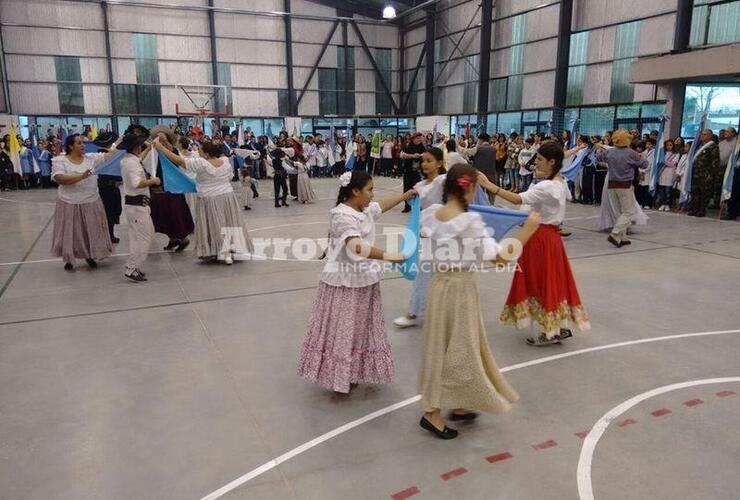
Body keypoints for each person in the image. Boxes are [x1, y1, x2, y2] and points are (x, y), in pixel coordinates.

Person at [418, 164, 539, 439]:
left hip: (439, 286)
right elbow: (498, 258)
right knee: (460, 347)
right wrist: (527, 230)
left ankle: (458, 402)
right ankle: (431, 412)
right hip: (459, 289)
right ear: (470, 188)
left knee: (445, 345)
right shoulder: (468, 221)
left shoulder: (431, 214)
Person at [297, 171, 415, 394]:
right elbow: (356, 247)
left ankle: (352, 370)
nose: (373, 194)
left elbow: (379, 207)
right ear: (355, 191)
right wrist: (392, 256)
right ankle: (340, 376)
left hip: (363, 280)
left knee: (359, 327)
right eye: (370, 190)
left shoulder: (362, 208)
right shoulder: (342, 216)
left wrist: (405, 195)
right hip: (344, 283)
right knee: (344, 328)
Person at [479, 143, 590, 346]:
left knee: (539, 281)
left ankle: (550, 329)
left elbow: (517, 199)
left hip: (540, 238)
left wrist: (489, 185)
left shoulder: (547, 186)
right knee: (549, 280)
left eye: (538, 159)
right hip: (549, 238)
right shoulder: (558, 182)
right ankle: (554, 326)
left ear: (552, 162)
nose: (535, 163)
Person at [154, 139, 252, 265]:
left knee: (217, 225)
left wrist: (161, 149)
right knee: (229, 222)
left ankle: (224, 252)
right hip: (227, 196)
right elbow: (230, 177)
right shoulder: (225, 161)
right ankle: (231, 249)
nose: (198, 152)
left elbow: (180, 161)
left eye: (200, 151)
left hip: (210, 198)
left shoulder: (202, 163)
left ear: (206, 154)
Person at [394, 147, 447, 329]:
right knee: (424, 272)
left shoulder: (443, 181)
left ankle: (427, 311)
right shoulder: (420, 185)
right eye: (423, 160)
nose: (424, 164)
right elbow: (414, 204)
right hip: (425, 234)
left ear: (440, 163)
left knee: (443, 274)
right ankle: (415, 311)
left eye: (429, 160)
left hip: (445, 234)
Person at [50, 134, 121, 271]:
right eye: (78, 143)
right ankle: (70, 259)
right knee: (71, 232)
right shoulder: (60, 160)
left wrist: (122, 142)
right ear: (70, 146)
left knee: (91, 229)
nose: (82, 145)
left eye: (82, 142)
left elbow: (112, 155)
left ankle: (90, 255)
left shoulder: (91, 158)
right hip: (69, 202)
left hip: (90, 200)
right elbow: (60, 178)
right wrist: (82, 176)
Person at [119, 134, 160, 282]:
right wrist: (152, 181)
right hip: (137, 205)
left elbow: (139, 159)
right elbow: (137, 183)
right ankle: (131, 268)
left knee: (142, 236)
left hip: (137, 205)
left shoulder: (129, 160)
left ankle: (134, 266)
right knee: (143, 238)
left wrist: (149, 148)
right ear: (136, 147)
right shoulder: (132, 163)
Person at [598, 129, 648, 247]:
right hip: (625, 186)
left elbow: (600, 157)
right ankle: (615, 233)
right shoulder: (630, 153)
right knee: (629, 212)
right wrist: (642, 156)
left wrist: (600, 148)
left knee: (619, 211)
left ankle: (623, 236)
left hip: (611, 185)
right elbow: (644, 164)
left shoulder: (611, 152)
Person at [688, 128, 721, 218]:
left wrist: (711, 174)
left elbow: (715, 162)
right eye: (702, 134)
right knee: (695, 192)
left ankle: (701, 210)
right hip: (696, 173)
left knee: (704, 193)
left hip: (705, 174)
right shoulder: (699, 145)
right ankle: (694, 209)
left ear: (710, 136)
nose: (702, 136)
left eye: (705, 134)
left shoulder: (713, 146)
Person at [400, 132, 426, 212]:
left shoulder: (422, 147)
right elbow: (402, 155)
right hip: (408, 171)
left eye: (420, 138)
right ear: (413, 139)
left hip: (418, 172)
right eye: (417, 138)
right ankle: (407, 206)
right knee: (407, 189)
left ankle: (417, 206)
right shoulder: (407, 146)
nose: (419, 140)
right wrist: (412, 156)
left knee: (418, 189)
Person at [471, 133, 497, 204]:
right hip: (491, 173)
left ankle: (481, 207)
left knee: (479, 193)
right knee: (491, 193)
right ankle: (491, 207)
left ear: (481, 140)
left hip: (479, 174)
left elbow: (467, 153)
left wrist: (457, 146)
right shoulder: (493, 148)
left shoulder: (478, 148)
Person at [720, 128, 739, 220]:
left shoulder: (735, 143)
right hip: (732, 170)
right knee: (732, 191)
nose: (725, 133)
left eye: (728, 132)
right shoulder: (735, 144)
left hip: (737, 170)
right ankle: (731, 213)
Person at [657, 139, 679, 211]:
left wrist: (663, 161)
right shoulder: (662, 153)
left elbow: (672, 164)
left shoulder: (676, 154)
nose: (669, 147)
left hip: (670, 173)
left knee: (668, 191)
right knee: (661, 190)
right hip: (662, 173)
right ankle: (662, 203)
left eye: (670, 145)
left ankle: (667, 204)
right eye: (667, 145)